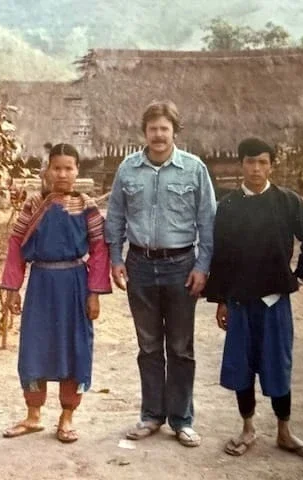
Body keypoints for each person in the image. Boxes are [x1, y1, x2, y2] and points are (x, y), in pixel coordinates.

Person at [105, 100, 216, 447]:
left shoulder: (194, 169)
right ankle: (151, 415)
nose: (158, 135)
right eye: (152, 129)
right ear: (145, 132)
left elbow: (208, 222)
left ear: (174, 132)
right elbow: (115, 217)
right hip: (139, 264)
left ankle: (182, 419)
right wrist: (115, 257)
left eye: (164, 129)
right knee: (149, 346)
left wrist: (203, 265)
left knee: (181, 347)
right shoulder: (128, 169)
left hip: (181, 266)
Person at [203, 137, 303, 459]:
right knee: (242, 365)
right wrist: (221, 300)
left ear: (271, 165)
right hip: (240, 302)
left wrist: (300, 274)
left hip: (274, 301)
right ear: (240, 164)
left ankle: (285, 431)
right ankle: (247, 428)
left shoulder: (287, 202)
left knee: (278, 365)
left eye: (262, 162)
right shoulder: (227, 207)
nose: (256, 169)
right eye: (250, 162)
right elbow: (221, 257)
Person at [0, 143, 112, 443]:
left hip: (74, 284)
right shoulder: (34, 205)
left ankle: (66, 417)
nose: (63, 174)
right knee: (35, 347)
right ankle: (33, 416)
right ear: (47, 170)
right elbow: (15, 246)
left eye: (69, 168)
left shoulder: (88, 207)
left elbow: (100, 251)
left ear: (77, 171)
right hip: (41, 285)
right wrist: (12, 288)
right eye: (57, 168)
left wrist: (94, 293)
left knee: (75, 348)